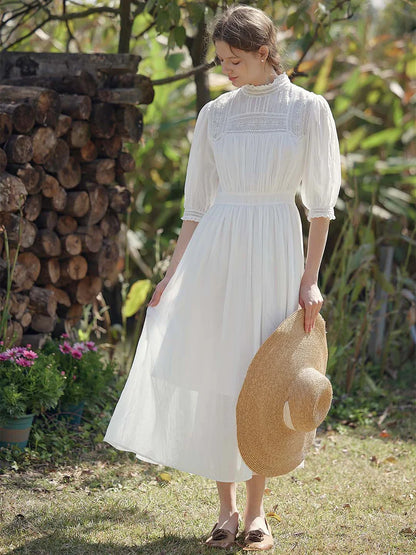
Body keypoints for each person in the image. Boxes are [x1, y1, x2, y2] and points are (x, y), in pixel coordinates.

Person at [104, 3, 341, 551]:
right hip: (219, 248)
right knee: (221, 374)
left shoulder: (309, 110)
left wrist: (310, 279)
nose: (225, 69)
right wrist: (171, 275)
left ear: (265, 53)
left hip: (277, 245)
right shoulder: (216, 113)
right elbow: (195, 209)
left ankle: (258, 515)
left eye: (235, 59)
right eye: (220, 60)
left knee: (265, 375)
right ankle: (227, 511)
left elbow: (321, 206)